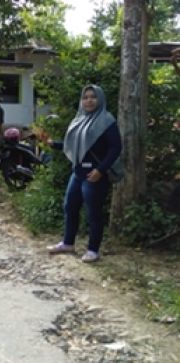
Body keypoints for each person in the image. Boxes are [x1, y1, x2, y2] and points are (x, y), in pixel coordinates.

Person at [47, 85, 122, 263]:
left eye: (93, 97)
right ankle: (68, 243)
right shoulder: (79, 119)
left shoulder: (106, 120)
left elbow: (115, 147)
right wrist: (53, 144)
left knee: (93, 213)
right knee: (70, 207)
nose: (89, 100)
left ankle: (93, 250)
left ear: (100, 99)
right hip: (78, 172)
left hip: (95, 174)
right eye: (86, 97)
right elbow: (74, 146)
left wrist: (100, 170)